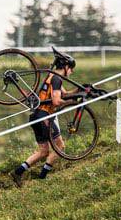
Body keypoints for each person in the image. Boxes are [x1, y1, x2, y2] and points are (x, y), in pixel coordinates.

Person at [10, 48, 78, 185]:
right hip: (44, 116)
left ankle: (17, 172)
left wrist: (80, 91)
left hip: (35, 116)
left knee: (43, 151)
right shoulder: (57, 79)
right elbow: (57, 101)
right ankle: (43, 177)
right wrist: (71, 103)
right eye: (71, 68)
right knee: (60, 146)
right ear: (65, 67)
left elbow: (64, 94)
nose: (72, 71)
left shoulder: (52, 77)